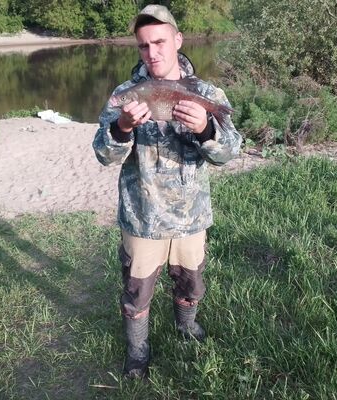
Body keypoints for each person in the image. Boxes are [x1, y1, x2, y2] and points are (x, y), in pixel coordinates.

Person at [92, 4, 242, 379]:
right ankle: (137, 351)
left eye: (159, 42)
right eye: (144, 45)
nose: (152, 52)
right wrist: (122, 127)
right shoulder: (127, 94)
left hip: (191, 216)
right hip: (142, 216)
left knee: (191, 282)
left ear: (177, 40)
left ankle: (186, 326)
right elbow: (104, 155)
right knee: (137, 292)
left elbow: (228, 154)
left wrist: (206, 128)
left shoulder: (205, 92)